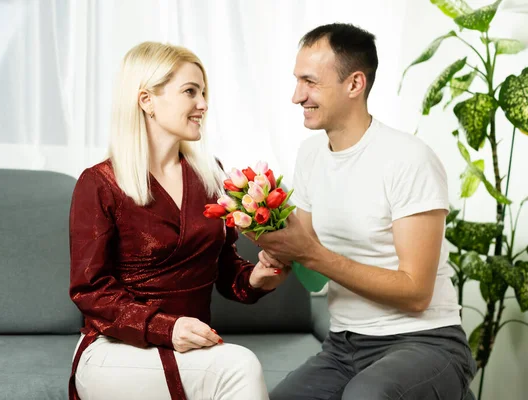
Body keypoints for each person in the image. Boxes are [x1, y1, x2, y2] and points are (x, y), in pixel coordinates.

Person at [248, 24, 477, 400]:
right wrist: (274, 259)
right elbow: (311, 271)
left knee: (367, 396)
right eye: (296, 81)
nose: (296, 96)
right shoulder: (310, 155)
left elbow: (417, 292)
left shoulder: (408, 159)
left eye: (310, 82)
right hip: (344, 346)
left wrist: (309, 253)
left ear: (354, 84)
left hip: (425, 341)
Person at [68, 41, 288, 400]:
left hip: (190, 351)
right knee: (239, 366)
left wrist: (257, 277)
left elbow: (224, 266)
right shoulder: (99, 183)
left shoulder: (210, 175)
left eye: (204, 92)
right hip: (116, 348)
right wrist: (163, 327)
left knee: (231, 366)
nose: (203, 104)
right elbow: (90, 291)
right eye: (190, 92)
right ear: (146, 100)